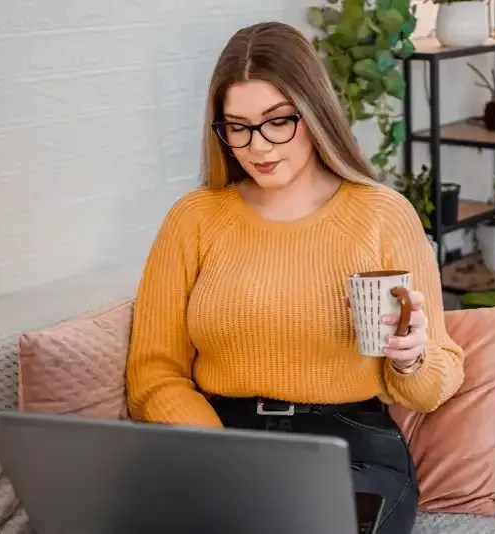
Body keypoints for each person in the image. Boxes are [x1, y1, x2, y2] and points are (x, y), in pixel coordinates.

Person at [125, 21, 465, 534]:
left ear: (313, 111)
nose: (257, 147)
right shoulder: (193, 218)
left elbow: (433, 387)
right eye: (236, 127)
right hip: (220, 433)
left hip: (347, 442)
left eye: (277, 121)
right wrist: (216, 450)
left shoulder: (381, 214)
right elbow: (152, 373)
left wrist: (413, 356)